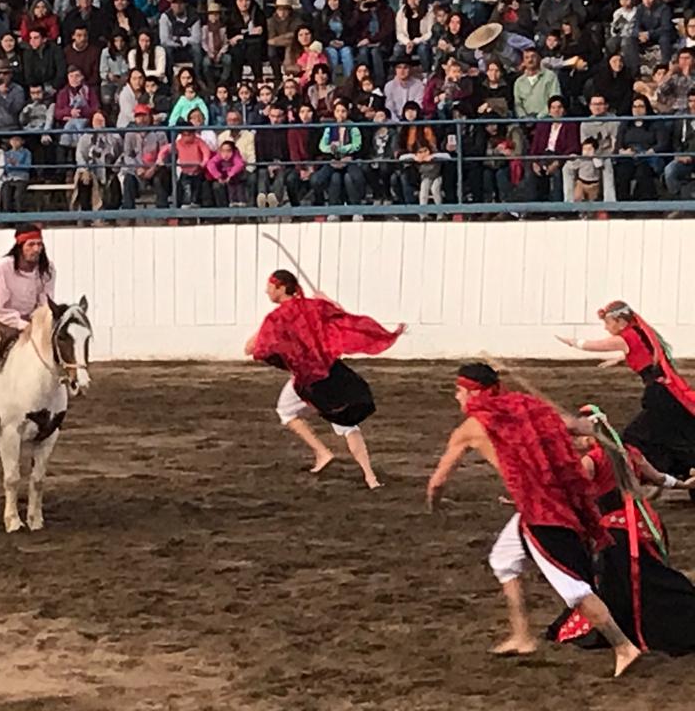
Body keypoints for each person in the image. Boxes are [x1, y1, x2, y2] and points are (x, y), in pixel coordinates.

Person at [426, 363, 643, 677]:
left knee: (574, 590)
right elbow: (577, 427)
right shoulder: (528, 406)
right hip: (551, 501)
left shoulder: (471, 428)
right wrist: (594, 425)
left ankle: (623, 647)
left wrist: (434, 505)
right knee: (503, 560)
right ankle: (522, 635)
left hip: (541, 512)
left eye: (459, 390)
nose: (456, 396)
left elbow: (437, 482)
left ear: (474, 391)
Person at [547, 405, 695, 655]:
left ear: (588, 436)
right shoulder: (630, 453)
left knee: (625, 586)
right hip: (646, 525)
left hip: (617, 534)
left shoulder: (591, 461)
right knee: (653, 578)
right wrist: (684, 484)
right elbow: (659, 478)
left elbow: (569, 495)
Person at [245, 269, 402, 489]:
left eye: (269, 287)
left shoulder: (275, 319)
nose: (266, 291)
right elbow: (343, 318)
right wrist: (327, 301)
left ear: (280, 287)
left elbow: (252, 350)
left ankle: (322, 452)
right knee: (347, 424)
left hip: (307, 381)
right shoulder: (315, 307)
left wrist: (262, 333)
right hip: (332, 372)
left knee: (285, 411)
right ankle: (370, 477)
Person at [556, 302, 695, 484]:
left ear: (620, 321)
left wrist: (573, 342)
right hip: (668, 391)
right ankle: (680, 471)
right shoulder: (641, 332)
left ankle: (657, 473)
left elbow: (594, 345)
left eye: (608, 322)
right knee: (676, 433)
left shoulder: (625, 337)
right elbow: (645, 352)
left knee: (636, 437)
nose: (606, 327)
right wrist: (621, 358)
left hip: (659, 395)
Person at [0, 226, 57, 427]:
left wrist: (38, 323)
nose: (36, 249)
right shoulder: (2, 268)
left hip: (29, 319)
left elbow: (46, 302)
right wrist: (22, 324)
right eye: (31, 244)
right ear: (20, 246)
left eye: (39, 244)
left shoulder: (48, 270)